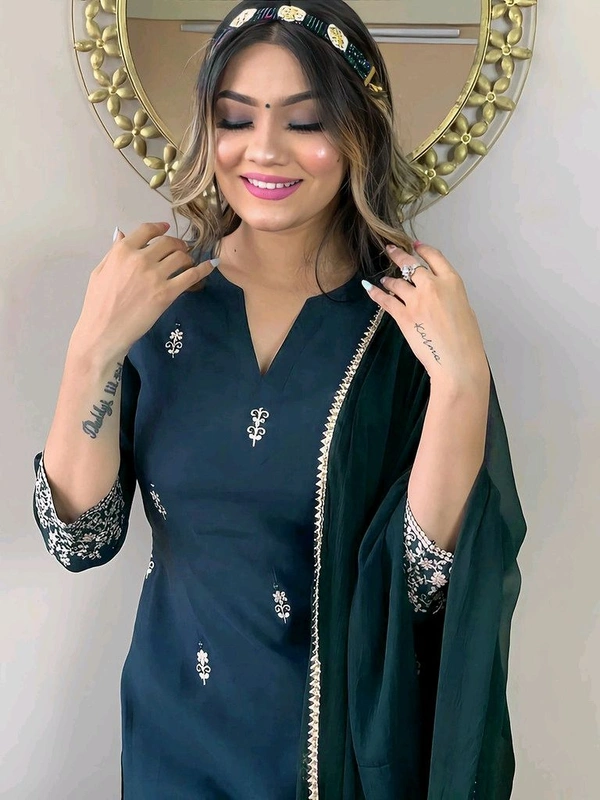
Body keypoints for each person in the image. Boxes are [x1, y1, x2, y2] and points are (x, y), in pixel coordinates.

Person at [32, 2, 527, 798]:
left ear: (358, 132)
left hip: (339, 761)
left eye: (305, 122)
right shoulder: (160, 303)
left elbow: (426, 585)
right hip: (172, 748)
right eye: (235, 119)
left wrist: (461, 385)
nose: (263, 149)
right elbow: (79, 538)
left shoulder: (403, 324)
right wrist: (92, 348)